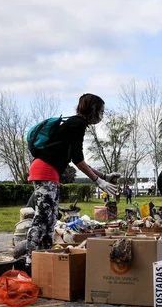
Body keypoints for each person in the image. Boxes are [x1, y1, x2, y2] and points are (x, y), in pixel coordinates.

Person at [25, 93, 120, 271]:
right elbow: (78, 160)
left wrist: (105, 176)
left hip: (49, 171)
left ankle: (43, 257)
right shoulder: (77, 124)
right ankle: (30, 262)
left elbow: (76, 159)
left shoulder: (74, 124)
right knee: (42, 218)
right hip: (44, 170)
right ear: (93, 109)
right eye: (101, 111)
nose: (102, 115)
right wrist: (98, 180)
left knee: (51, 219)